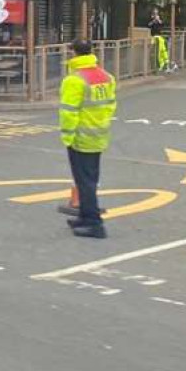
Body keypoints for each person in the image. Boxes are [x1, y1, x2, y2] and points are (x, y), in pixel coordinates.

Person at [59, 39, 117, 239]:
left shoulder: (74, 80)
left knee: (85, 181)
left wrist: (67, 136)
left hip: (81, 137)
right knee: (88, 178)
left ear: (73, 53)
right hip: (99, 134)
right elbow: (111, 105)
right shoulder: (107, 77)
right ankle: (84, 216)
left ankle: (94, 223)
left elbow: (68, 112)